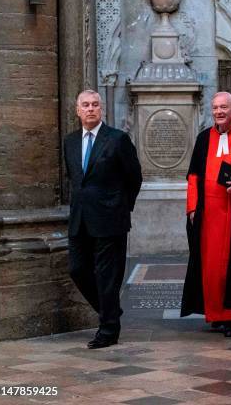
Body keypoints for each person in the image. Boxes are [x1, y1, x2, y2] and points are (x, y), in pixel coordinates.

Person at [64, 90, 142, 349]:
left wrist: (121, 207)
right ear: (77, 110)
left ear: (102, 109)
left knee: (108, 276)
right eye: (85, 105)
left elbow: (134, 177)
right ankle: (110, 310)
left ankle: (108, 330)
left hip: (110, 219)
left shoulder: (117, 140)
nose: (90, 109)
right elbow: (76, 180)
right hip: (80, 219)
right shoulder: (70, 141)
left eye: (95, 105)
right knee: (77, 269)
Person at [180, 92, 231, 337]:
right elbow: (193, 177)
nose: (219, 112)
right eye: (215, 108)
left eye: (224, 107)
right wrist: (192, 208)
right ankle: (215, 314)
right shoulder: (203, 138)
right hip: (208, 213)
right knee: (209, 266)